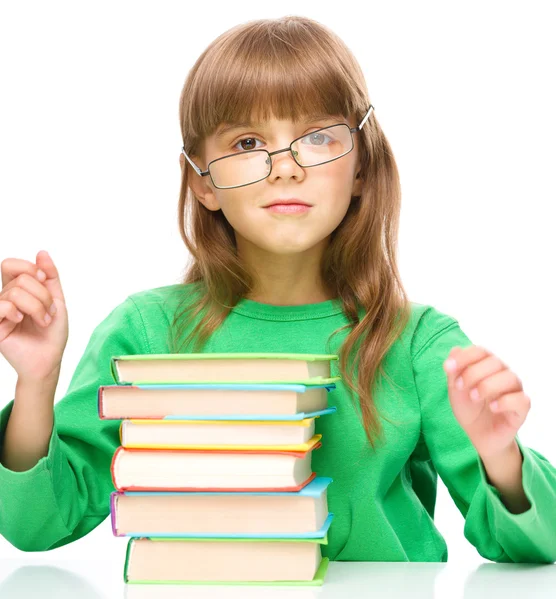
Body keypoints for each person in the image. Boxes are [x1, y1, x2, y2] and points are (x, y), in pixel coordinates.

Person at [0, 15, 555, 563]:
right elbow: (39, 525)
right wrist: (36, 381)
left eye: (316, 138)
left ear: (360, 167)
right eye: (246, 141)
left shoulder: (417, 342)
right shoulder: (145, 331)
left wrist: (501, 455)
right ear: (203, 180)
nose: (284, 168)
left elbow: (537, 545)